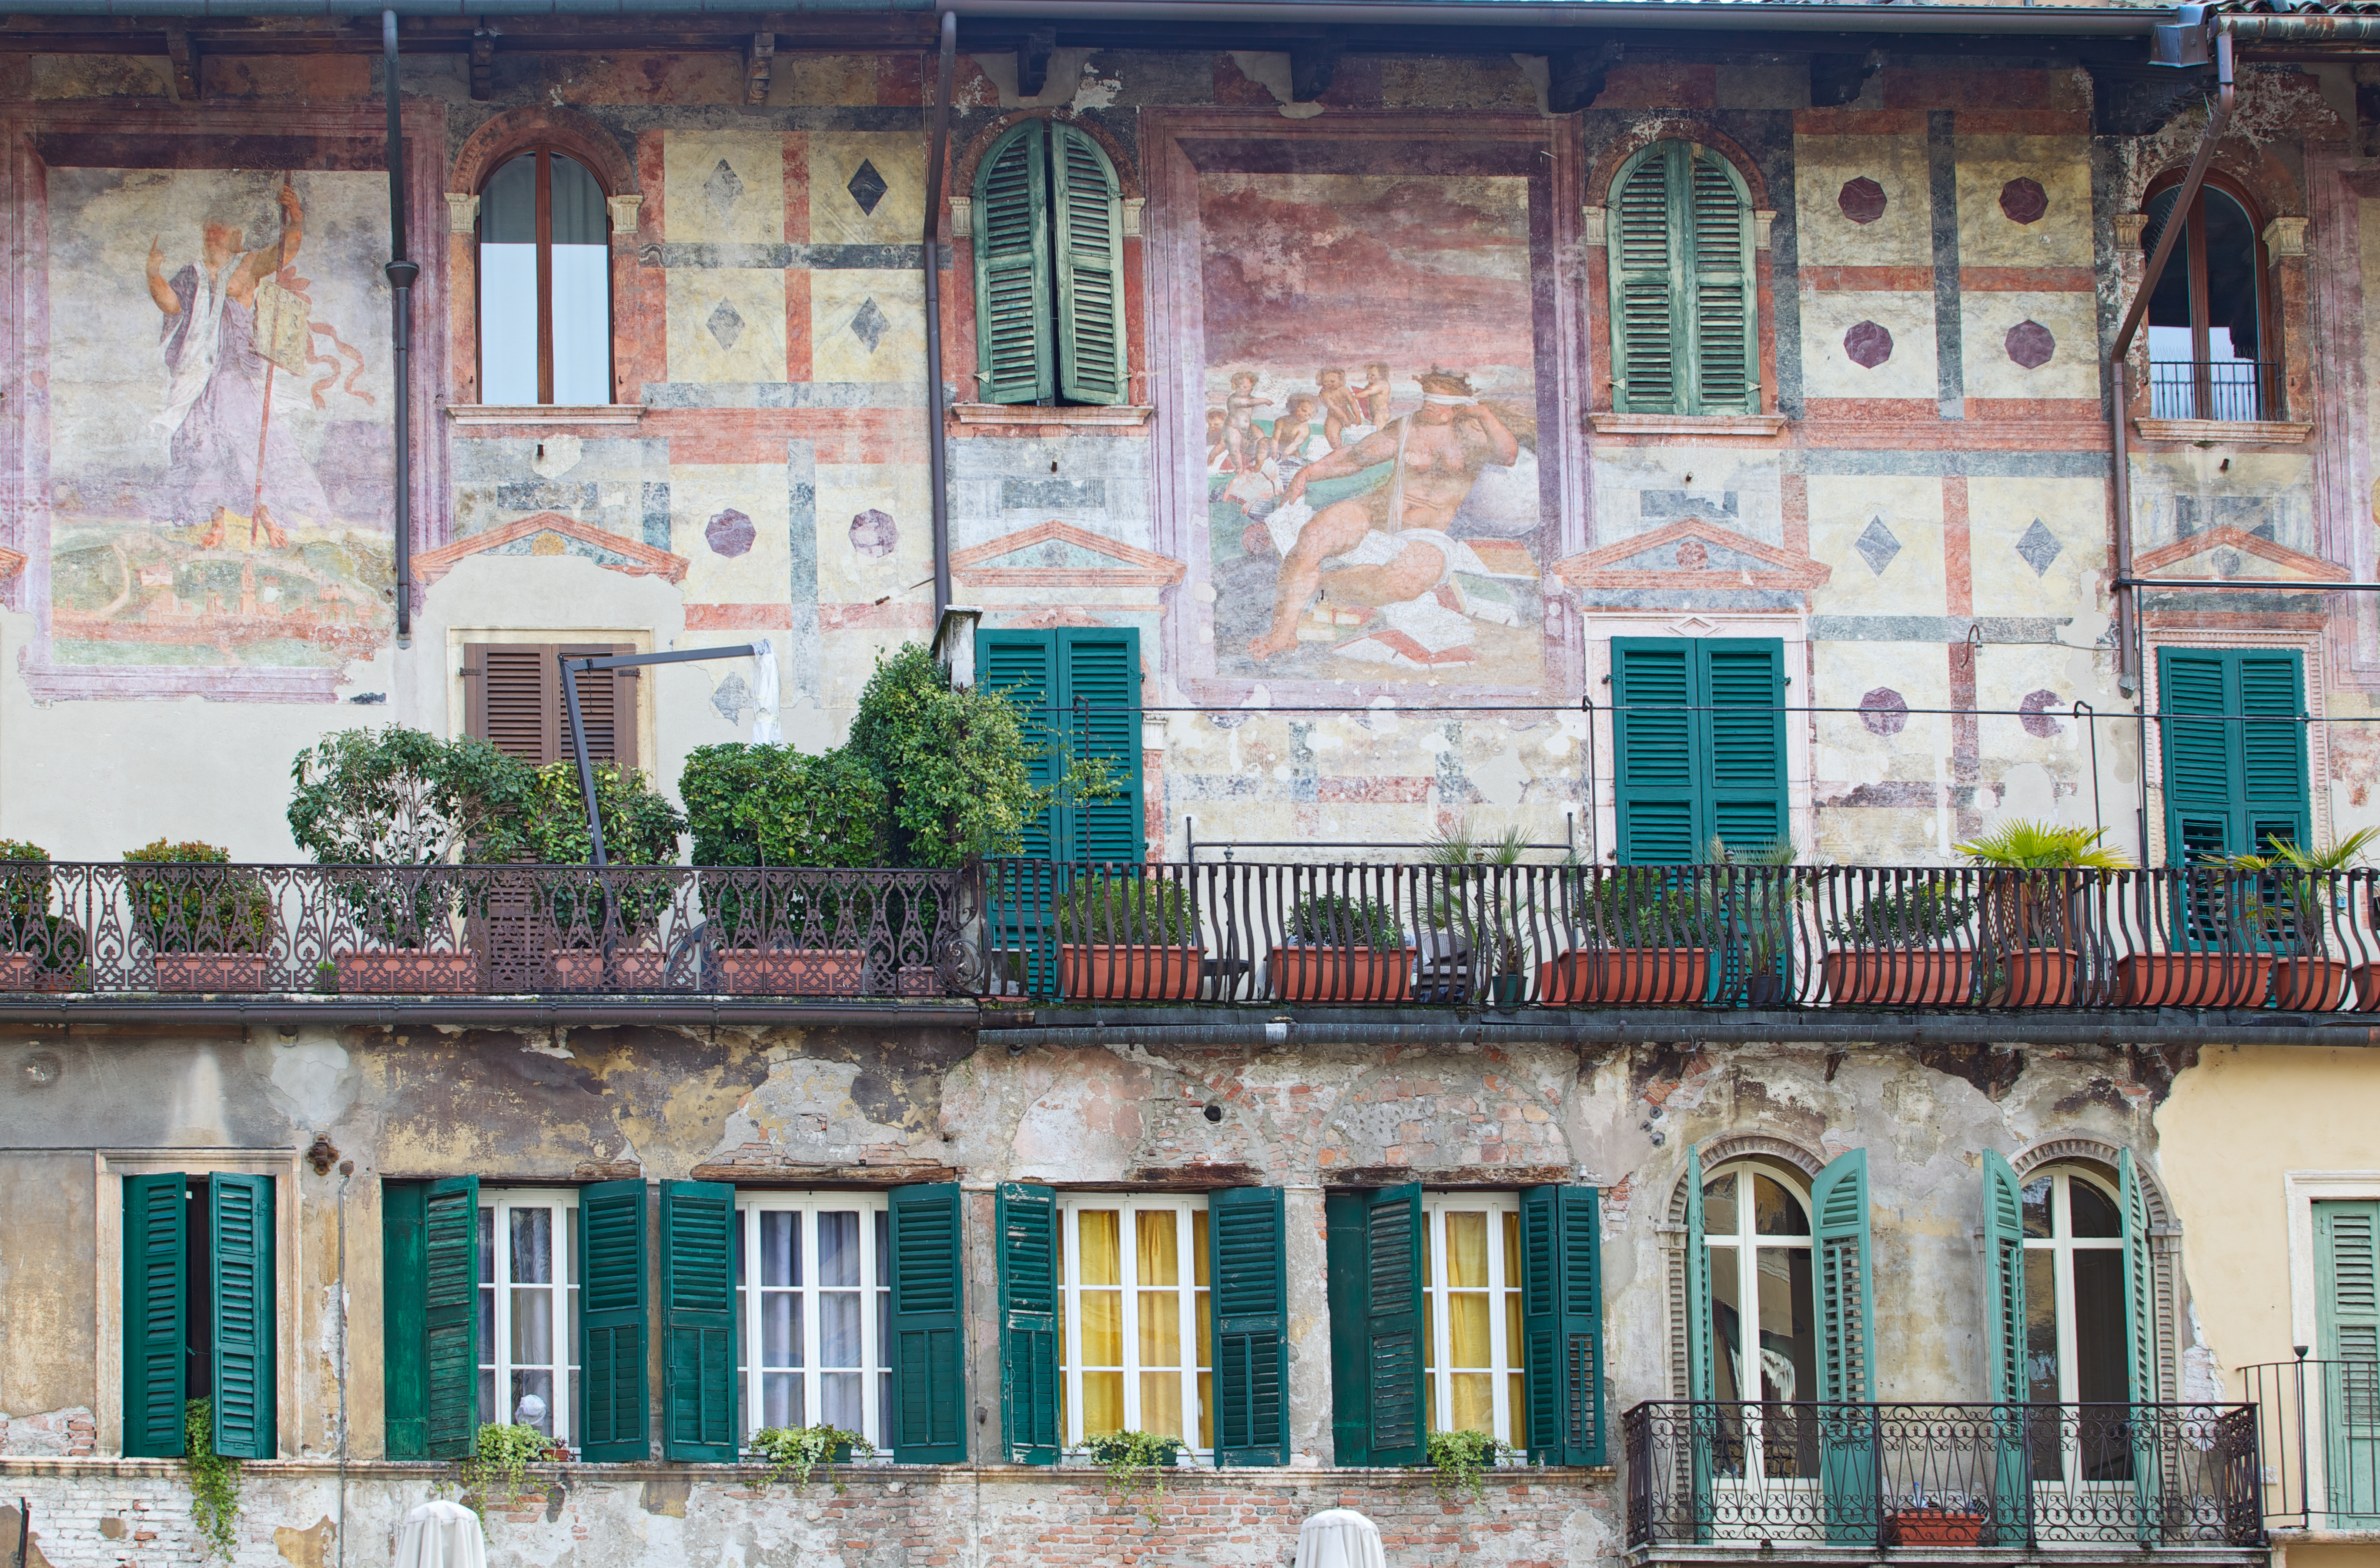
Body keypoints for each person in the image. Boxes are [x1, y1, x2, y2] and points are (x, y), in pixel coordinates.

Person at [1248, 369, 1519, 662]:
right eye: (1426, 398)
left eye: (1438, 401)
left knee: (1403, 584)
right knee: (1314, 535)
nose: (1427, 406)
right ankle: (1283, 633)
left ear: (1457, 406)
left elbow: (1508, 456)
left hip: (1426, 533)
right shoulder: (1407, 428)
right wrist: (1306, 473)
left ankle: (1318, 583)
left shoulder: (1472, 436)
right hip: (1375, 511)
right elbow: (1356, 457)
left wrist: (1484, 413)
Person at [146, 181, 331, 551]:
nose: (212, 238)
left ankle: (270, 522)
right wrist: (153, 273)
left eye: (220, 232)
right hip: (200, 378)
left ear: (236, 237)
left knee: (245, 449)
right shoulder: (192, 274)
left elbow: (286, 250)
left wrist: (295, 215)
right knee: (204, 449)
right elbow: (170, 306)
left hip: (234, 378)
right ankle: (218, 525)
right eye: (208, 233)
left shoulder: (246, 267)